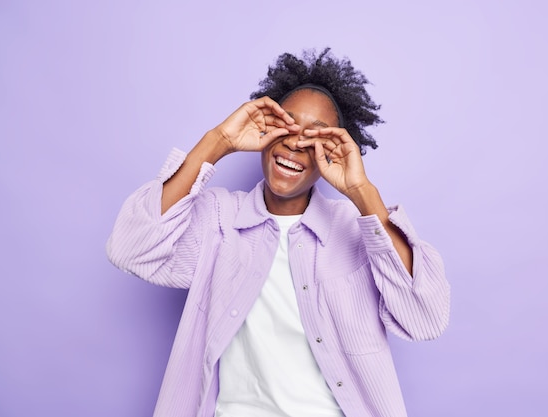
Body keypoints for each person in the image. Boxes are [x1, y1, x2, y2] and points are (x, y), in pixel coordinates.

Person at [106, 47, 450, 417]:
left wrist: (361, 192)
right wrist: (219, 140)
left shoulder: (357, 232)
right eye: (286, 125)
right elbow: (130, 248)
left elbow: (424, 318)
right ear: (266, 130)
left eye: (315, 138)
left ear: (333, 153)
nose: (296, 142)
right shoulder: (218, 220)